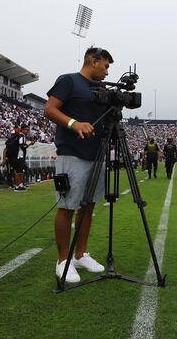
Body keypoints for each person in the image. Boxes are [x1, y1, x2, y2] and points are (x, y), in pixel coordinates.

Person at [44, 47, 113, 283]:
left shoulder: (102, 89)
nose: (107, 71)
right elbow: (49, 109)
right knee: (67, 206)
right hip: (71, 153)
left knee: (89, 206)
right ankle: (63, 260)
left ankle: (80, 254)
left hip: (97, 154)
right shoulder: (69, 81)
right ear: (93, 62)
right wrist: (74, 123)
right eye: (105, 65)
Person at [2, 125, 30, 191]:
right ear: (22, 130)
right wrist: (29, 144)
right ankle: (17, 186)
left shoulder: (17, 137)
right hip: (18, 156)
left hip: (16, 157)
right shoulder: (21, 136)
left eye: (28, 130)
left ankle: (20, 185)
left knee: (20, 171)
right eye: (26, 130)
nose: (27, 131)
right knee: (19, 171)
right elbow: (22, 146)